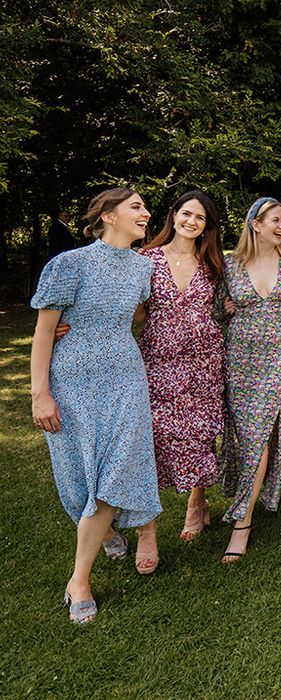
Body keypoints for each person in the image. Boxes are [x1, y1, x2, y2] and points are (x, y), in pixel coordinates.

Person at [30, 188, 161, 624]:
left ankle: (78, 580)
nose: (146, 213)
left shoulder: (143, 267)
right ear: (108, 215)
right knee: (80, 472)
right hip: (72, 382)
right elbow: (45, 332)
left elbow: (139, 314)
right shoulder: (69, 264)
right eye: (137, 206)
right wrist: (40, 393)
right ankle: (103, 531)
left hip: (126, 378)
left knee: (118, 467)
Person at [133, 190, 226, 571]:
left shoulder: (213, 264)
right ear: (173, 215)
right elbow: (133, 312)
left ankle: (196, 502)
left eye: (200, 218)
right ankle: (147, 530)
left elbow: (225, 306)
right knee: (151, 440)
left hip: (203, 364)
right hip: (158, 362)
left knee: (199, 435)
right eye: (186, 214)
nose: (191, 221)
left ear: (207, 226)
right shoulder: (146, 260)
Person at [219, 197, 281, 562]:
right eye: (275, 221)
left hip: (280, 355)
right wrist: (226, 308)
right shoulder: (231, 264)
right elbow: (215, 306)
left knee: (260, 433)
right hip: (240, 358)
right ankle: (245, 500)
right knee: (247, 434)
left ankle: (243, 522)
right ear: (255, 224)